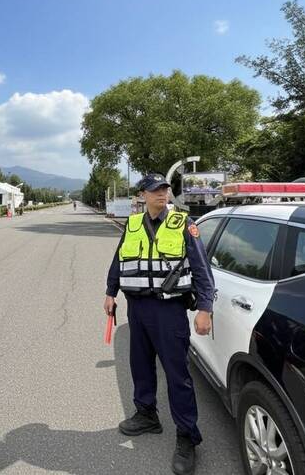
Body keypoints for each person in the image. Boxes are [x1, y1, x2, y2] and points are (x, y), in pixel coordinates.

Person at [103, 173, 215, 475]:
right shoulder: (133, 224)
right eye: (155, 190)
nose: (162, 194)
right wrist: (110, 292)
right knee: (140, 366)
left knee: (178, 375)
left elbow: (202, 269)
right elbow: (119, 261)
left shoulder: (183, 224)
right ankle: (147, 415)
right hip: (137, 308)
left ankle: (187, 436)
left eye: (164, 189)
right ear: (143, 195)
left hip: (169, 310)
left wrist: (205, 308)